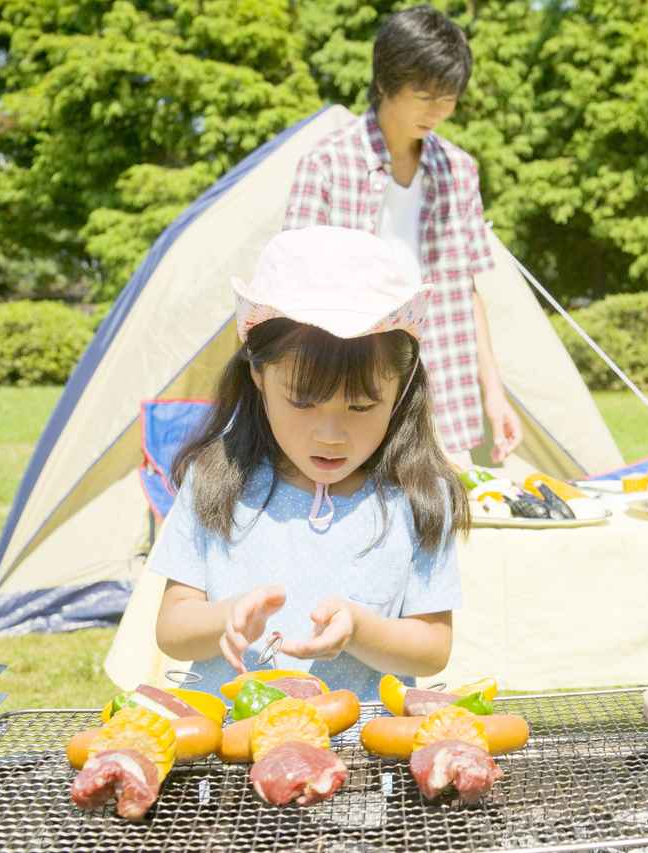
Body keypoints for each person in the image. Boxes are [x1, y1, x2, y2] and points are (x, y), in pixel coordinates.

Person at [153, 227, 470, 701]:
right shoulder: (215, 480)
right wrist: (230, 614)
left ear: (401, 388)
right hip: (232, 747)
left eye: (361, 407)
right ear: (258, 374)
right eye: (303, 402)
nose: (330, 434)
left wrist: (360, 631)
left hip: (363, 756)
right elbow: (172, 629)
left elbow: (432, 647)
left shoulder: (419, 494)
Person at [283, 4, 521, 467]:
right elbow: (294, 291)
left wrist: (494, 394)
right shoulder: (328, 165)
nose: (439, 111)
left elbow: (467, 292)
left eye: (449, 97)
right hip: (351, 385)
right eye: (425, 95)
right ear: (385, 82)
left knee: (445, 524)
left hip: (443, 388)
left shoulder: (459, 170)